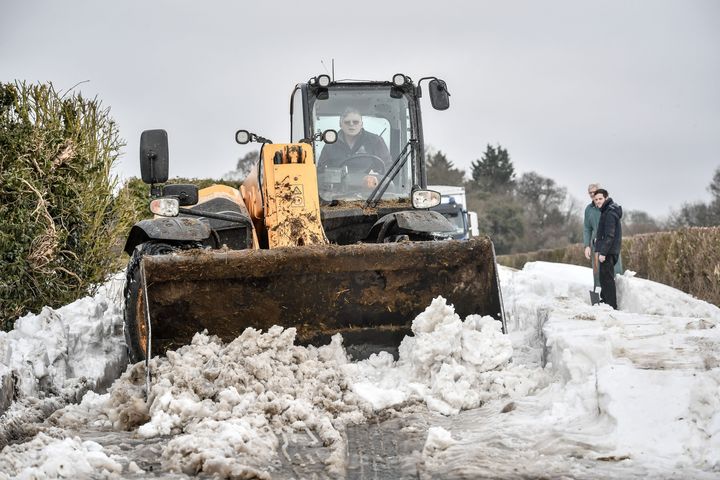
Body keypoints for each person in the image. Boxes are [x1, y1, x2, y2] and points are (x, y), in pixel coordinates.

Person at [317, 108, 391, 170]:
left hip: (371, 186)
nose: (351, 124)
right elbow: (321, 172)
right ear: (340, 124)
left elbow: (388, 168)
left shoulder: (376, 141)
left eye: (355, 122)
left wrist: (377, 179)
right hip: (337, 187)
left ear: (361, 124)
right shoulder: (330, 144)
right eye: (347, 122)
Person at [583, 183, 622, 289]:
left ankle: (617, 298)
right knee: (597, 274)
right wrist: (587, 245)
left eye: (594, 192)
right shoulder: (588, 209)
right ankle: (598, 300)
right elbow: (587, 228)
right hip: (596, 246)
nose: (592, 194)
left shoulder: (609, 208)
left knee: (615, 273)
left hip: (610, 244)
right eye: (590, 193)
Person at [593, 189, 623, 309]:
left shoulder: (610, 213)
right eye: (596, 200)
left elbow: (610, 235)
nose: (598, 201)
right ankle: (605, 302)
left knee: (607, 279)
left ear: (606, 198)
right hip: (608, 251)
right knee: (603, 278)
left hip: (608, 252)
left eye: (600, 199)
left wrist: (603, 252)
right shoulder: (606, 211)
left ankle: (611, 306)